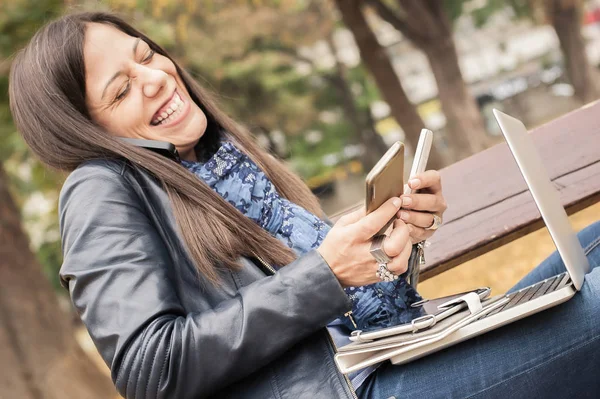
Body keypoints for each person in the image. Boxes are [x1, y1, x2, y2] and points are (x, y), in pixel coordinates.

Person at [8, 11, 600, 399]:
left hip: (401, 349)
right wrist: (325, 273)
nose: (155, 77)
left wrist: (392, 245)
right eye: (120, 89)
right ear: (86, 132)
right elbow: (150, 367)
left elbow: (333, 307)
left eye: (144, 55)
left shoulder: (217, 166)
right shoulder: (98, 188)